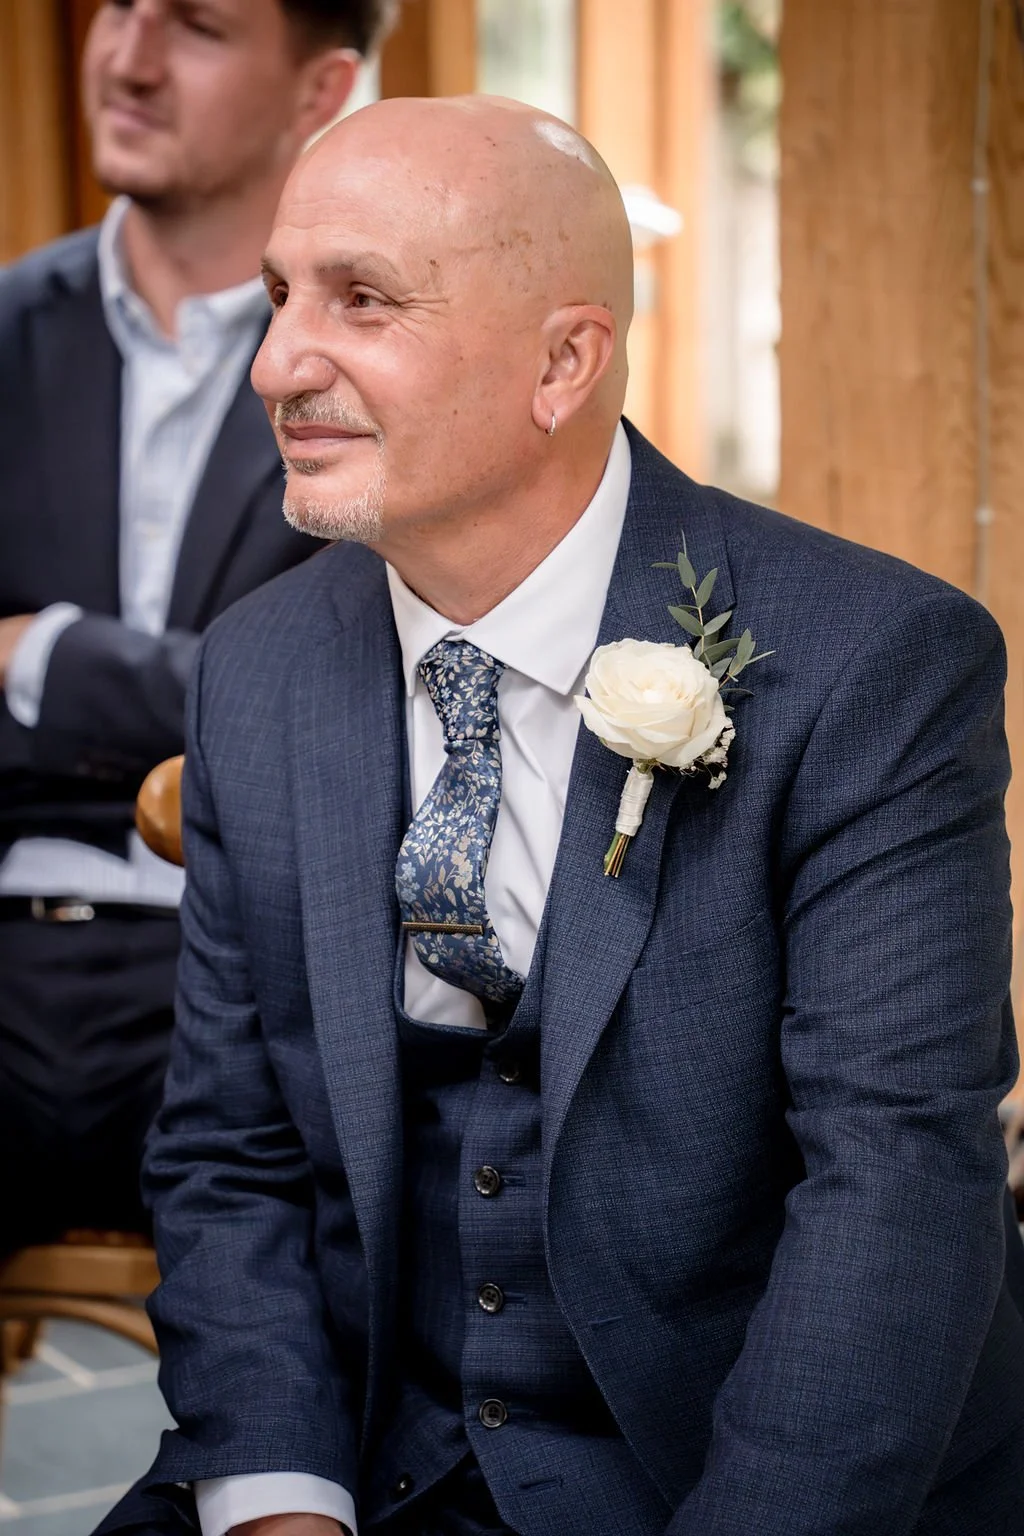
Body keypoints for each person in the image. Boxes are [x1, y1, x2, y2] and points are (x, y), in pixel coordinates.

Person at [98, 97, 1024, 1536]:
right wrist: (283, 1503)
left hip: (721, 1471)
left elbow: (896, 1184)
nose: (278, 362)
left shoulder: (872, 664)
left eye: (364, 300)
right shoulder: (257, 670)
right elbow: (229, 1155)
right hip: (356, 1453)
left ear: (564, 362)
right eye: (280, 297)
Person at [0, 0, 396, 1252]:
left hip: (269, 981)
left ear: (319, 85)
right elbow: (273, 686)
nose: (128, 56)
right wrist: (201, 692)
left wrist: (39, 660)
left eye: (198, 24)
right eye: (115, 6)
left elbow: (376, 694)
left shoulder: (389, 363)